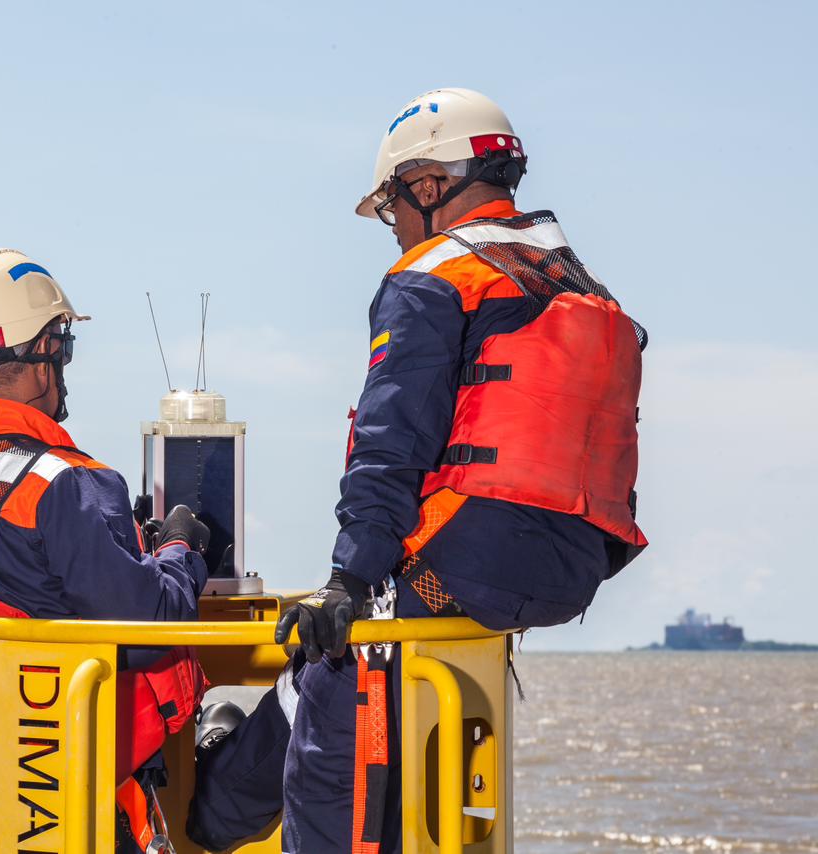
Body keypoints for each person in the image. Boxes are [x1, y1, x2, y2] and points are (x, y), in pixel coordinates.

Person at [192, 88, 649, 853]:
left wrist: (347, 579)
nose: (393, 229)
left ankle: (205, 812)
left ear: (430, 186)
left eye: (392, 207)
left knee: (327, 705)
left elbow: (389, 443)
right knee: (332, 686)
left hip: (458, 566)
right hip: (564, 575)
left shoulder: (434, 274)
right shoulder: (579, 285)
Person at [0, 248, 212, 851]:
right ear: (43, 356)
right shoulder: (67, 486)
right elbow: (153, 625)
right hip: (66, 784)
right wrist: (178, 547)